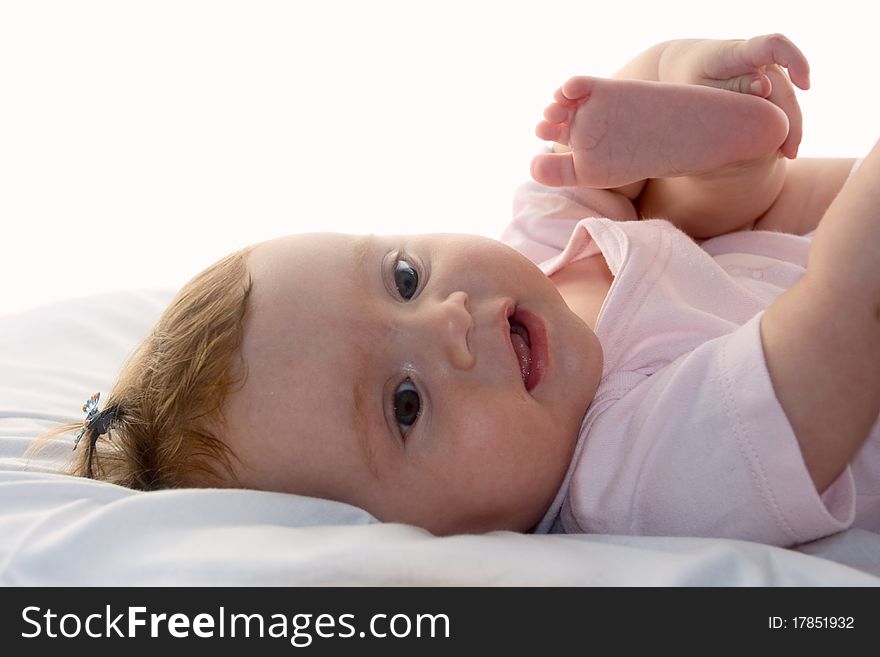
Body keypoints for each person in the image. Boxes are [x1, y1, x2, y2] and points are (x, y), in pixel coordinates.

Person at [51, 34, 879, 548]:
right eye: (405, 403)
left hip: (795, 241)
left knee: (679, 199)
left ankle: (725, 152)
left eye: (403, 278)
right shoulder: (632, 476)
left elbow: (601, 150)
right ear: (427, 539)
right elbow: (846, 318)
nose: (448, 319)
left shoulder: (542, 256)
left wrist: (668, 89)